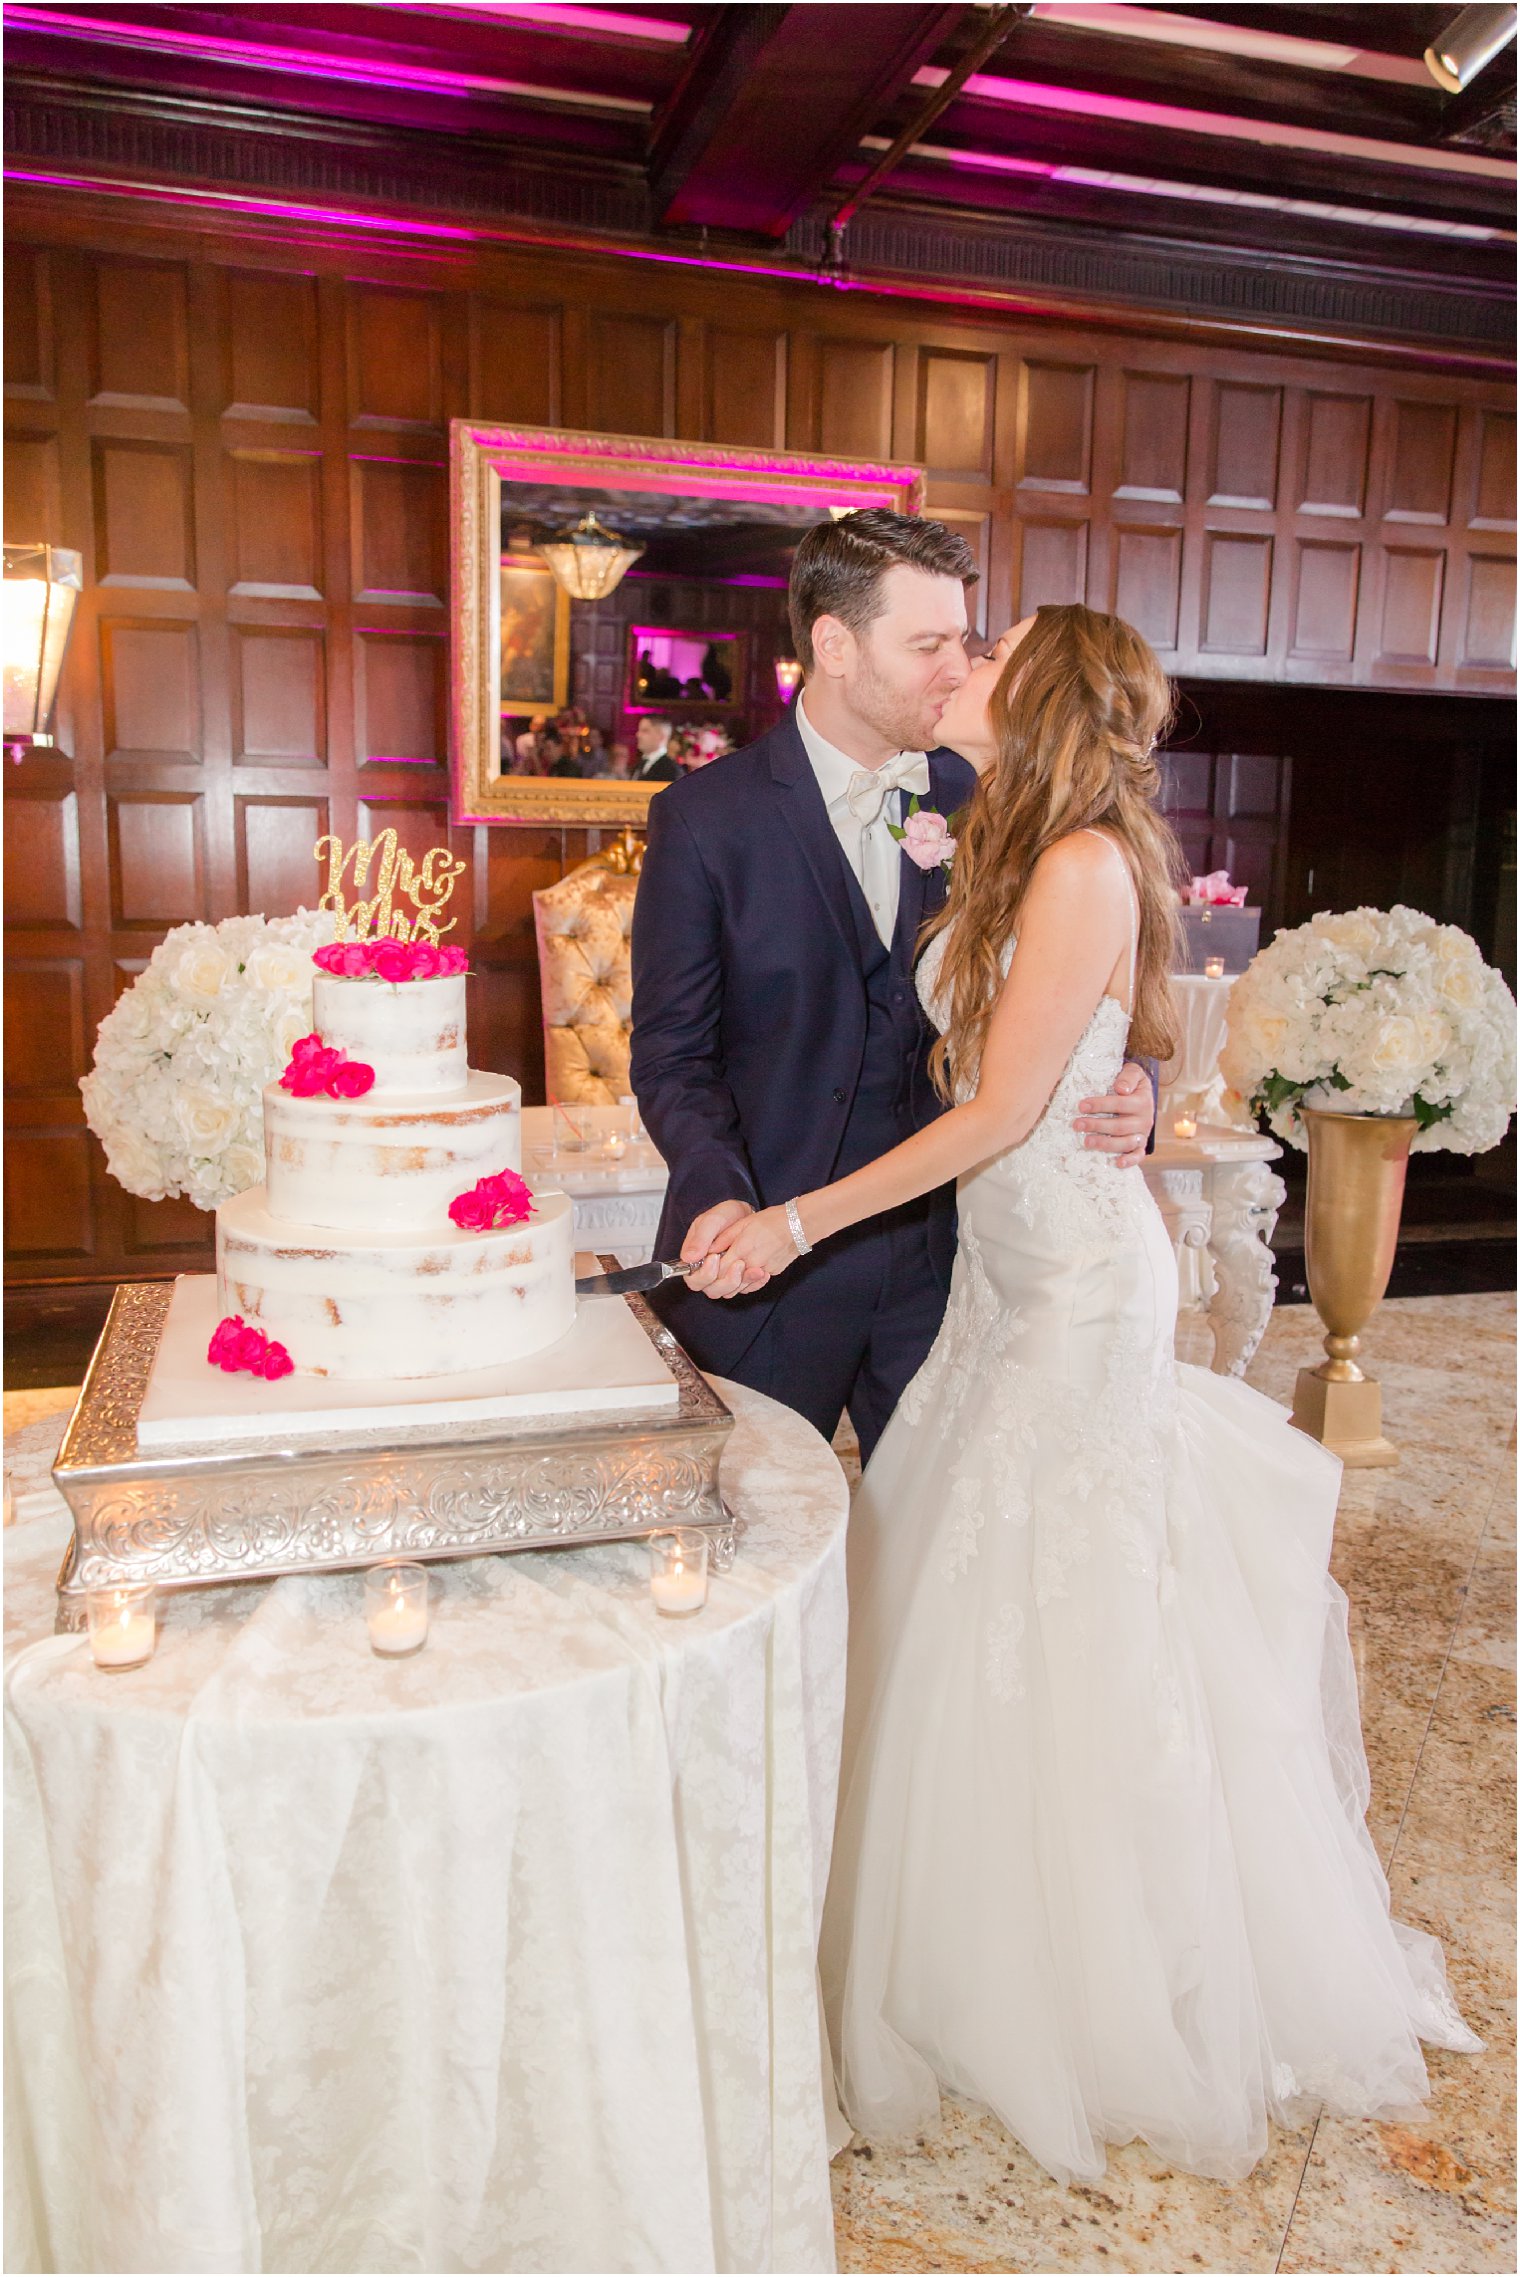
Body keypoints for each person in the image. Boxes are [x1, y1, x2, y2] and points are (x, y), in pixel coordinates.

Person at [705, 604, 1481, 2185]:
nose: (957, 669)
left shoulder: (1073, 865)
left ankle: (1087, 1973)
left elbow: (997, 1111)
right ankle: (972, 1929)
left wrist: (796, 1220)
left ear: (1037, 696)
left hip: (1069, 1282)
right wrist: (1131, 1079)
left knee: (1058, 1601)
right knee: (958, 1576)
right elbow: (1113, 1047)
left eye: (985, 656)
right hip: (1011, 1273)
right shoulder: (1015, 843)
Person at [629, 514, 1155, 1463]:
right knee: (746, 1543)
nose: (957, 667)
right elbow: (672, 1055)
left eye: (966, 640)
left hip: (952, 1268)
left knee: (943, 1555)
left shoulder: (994, 784)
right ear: (835, 644)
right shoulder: (706, 820)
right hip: (766, 1269)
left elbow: (1113, 955)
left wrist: (1132, 1080)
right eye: (928, 644)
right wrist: (719, 1197)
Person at [631, 716, 679, 783]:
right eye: (639, 730)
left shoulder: (670, 769)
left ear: (661, 736)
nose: (638, 735)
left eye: (645, 731)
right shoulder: (639, 764)